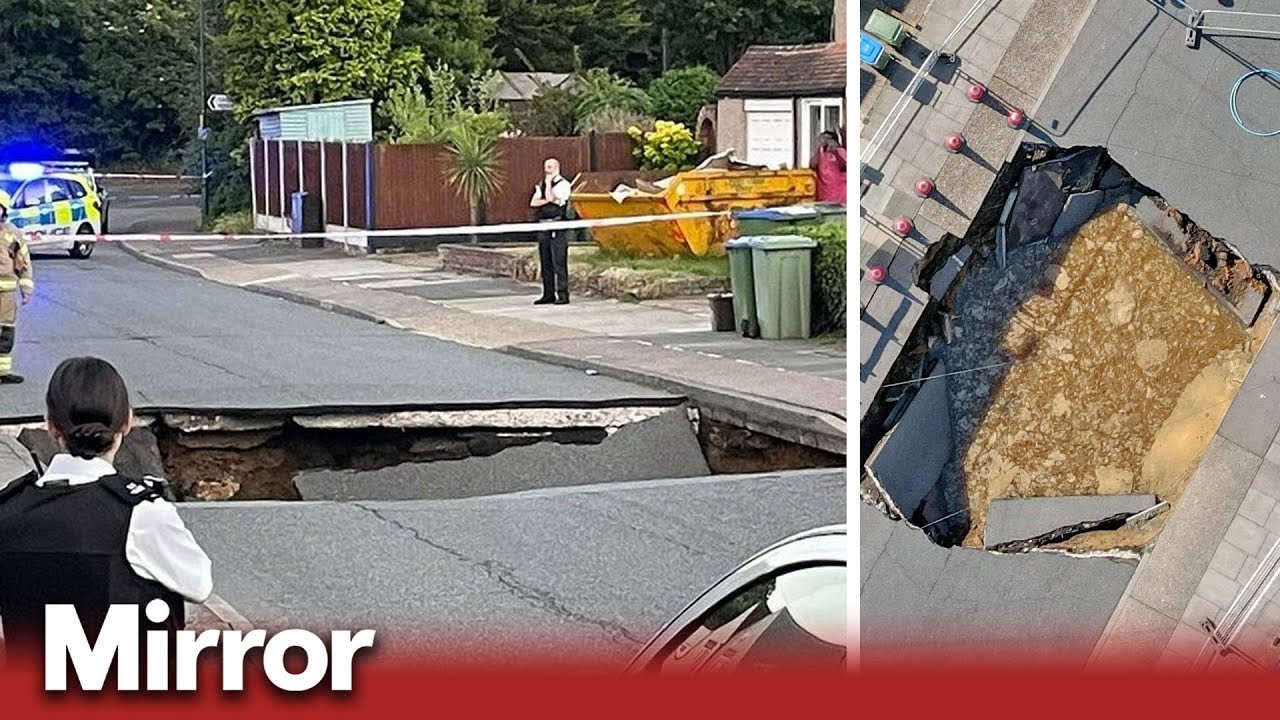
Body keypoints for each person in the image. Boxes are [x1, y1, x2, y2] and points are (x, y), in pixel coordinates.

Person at [0, 357, 213, 661]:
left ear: (51, 426)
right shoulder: (140, 514)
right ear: (126, 422)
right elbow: (199, 583)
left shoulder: (8, 509)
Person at [530, 158, 573, 305]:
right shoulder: (540, 184)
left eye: (549, 167)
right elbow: (533, 202)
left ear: (557, 167)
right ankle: (548, 294)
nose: (546, 170)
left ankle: (562, 294)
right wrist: (548, 199)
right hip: (543, 226)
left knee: (558, 261)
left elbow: (551, 197)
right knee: (545, 261)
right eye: (545, 167)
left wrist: (548, 187)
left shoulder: (564, 185)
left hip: (557, 225)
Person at [0, 196, 32, 384]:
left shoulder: (12, 234)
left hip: (6, 295)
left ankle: (2, 372)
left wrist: (26, 288)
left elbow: (23, 263)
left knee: (5, 332)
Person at [811, 131, 847, 205]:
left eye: (827, 139)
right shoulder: (820, 154)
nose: (825, 142)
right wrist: (818, 147)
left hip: (841, 196)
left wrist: (836, 150)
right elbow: (812, 165)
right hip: (824, 195)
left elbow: (845, 164)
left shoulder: (840, 151)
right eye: (822, 139)